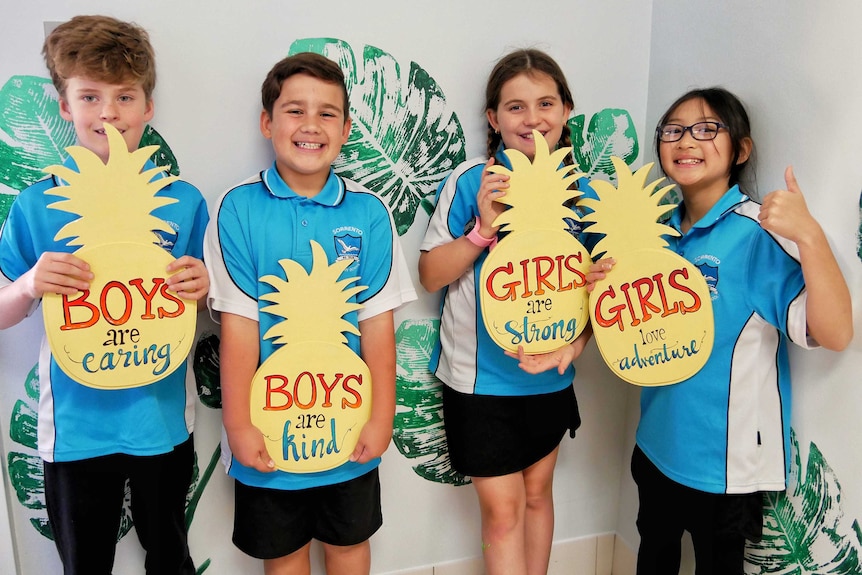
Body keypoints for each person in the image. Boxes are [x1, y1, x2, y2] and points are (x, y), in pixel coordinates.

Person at [592, 87, 853, 574]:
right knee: (654, 558)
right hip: (655, 445)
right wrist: (605, 287)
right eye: (673, 130)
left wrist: (810, 236)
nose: (687, 140)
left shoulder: (757, 232)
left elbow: (835, 333)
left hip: (726, 470)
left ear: (742, 149)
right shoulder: (656, 233)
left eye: (707, 129)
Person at [0, 15, 209, 575]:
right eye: (90, 96)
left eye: (125, 96)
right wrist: (26, 285)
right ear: (65, 106)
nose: (109, 113)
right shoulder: (35, 207)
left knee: (170, 555)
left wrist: (203, 288)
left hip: (162, 420)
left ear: (148, 107)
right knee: (84, 563)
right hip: (74, 427)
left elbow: (211, 308)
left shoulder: (183, 203)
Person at [204, 52, 416, 575]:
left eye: (327, 114)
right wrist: (239, 424)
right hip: (270, 425)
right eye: (295, 110)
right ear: (267, 122)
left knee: (349, 546)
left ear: (345, 129)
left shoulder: (370, 211)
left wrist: (381, 414)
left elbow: (377, 324)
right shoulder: (236, 207)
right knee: (284, 556)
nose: (310, 125)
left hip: (348, 419)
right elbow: (238, 326)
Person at [418, 49, 591, 575]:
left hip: (549, 377)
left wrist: (573, 345)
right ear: (493, 119)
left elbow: (591, 296)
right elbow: (431, 275)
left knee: (538, 496)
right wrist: (482, 229)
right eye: (514, 107)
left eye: (545, 103)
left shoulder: (580, 192)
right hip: (479, 383)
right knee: (502, 512)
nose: (531, 118)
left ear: (565, 111)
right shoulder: (472, 182)